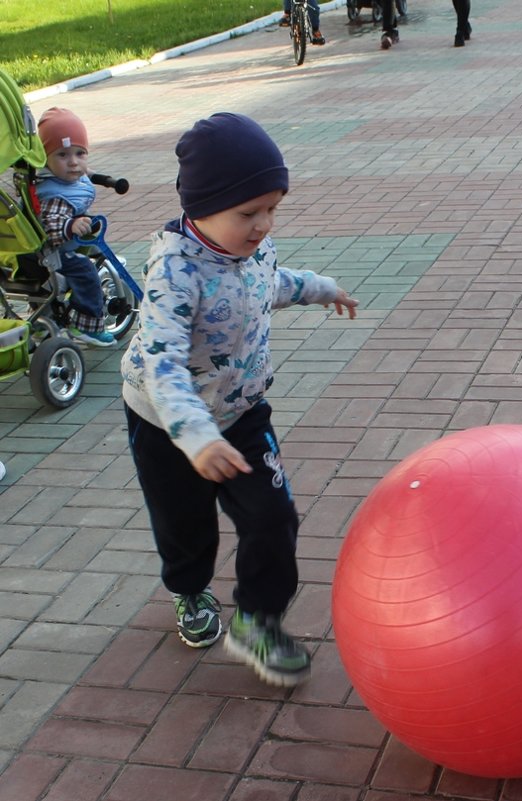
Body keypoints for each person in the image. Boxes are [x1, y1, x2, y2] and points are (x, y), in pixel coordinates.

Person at [120, 112, 358, 687]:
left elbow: (269, 284)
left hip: (243, 413)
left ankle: (257, 619)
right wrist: (195, 436)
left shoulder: (254, 248)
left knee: (273, 517)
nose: (263, 225)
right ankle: (189, 589)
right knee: (186, 526)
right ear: (201, 207)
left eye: (272, 209)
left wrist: (320, 288)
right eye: (247, 213)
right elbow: (161, 360)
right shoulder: (175, 271)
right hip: (167, 424)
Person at [35, 108, 116, 348]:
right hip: (53, 250)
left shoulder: (58, 177)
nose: (73, 162)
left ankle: (44, 321)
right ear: (45, 159)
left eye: (80, 153)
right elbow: (51, 226)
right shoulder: (54, 195)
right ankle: (86, 324)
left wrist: (99, 176)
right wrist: (70, 226)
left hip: (39, 251)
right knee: (85, 271)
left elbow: (83, 171)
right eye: (62, 155)